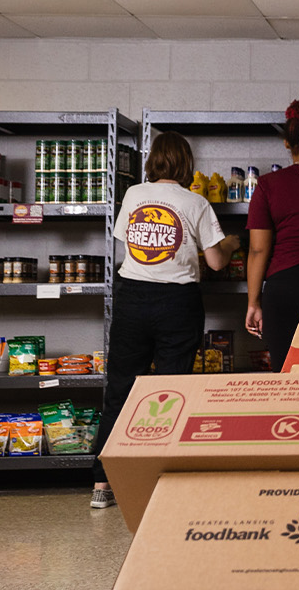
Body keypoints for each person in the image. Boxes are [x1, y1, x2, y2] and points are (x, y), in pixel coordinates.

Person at [91, 132, 239, 509]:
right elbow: (217, 262)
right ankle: (157, 480)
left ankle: (102, 484)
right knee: (170, 391)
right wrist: (231, 243)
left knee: (121, 387)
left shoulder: (135, 196)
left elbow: (129, 245)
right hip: (177, 301)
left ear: (152, 161)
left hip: (132, 296)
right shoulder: (197, 202)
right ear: (186, 164)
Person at [244, 100, 299, 372]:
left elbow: (258, 251)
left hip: (285, 288)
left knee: (287, 375)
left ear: (287, 144)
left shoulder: (268, 185)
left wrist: (254, 302)